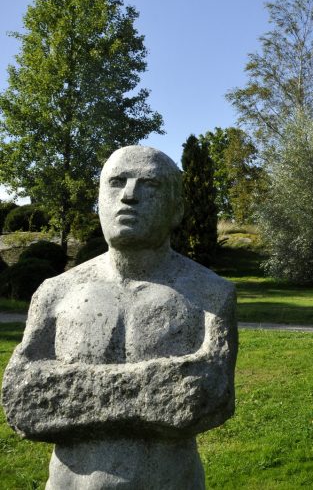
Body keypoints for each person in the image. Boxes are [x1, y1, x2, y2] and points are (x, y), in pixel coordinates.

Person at [1, 146, 237, 489]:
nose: (129, 196)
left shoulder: (211, 295)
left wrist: (67, 391)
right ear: (100, 200)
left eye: (149, 185)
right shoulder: (55, 292)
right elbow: (23, 402)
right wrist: (160, 392)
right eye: (117, 182)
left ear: (177, 209)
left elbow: (208, 396)